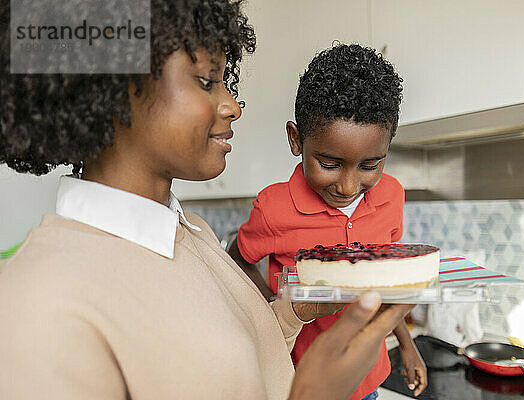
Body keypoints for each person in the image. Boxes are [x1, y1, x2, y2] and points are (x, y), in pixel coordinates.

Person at [0, 1, 412, 399]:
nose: (232, 106)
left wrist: (298, 309)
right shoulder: (35, 303)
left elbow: (245, 357)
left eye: (224, 80)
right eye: (205, 81)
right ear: (114, 87)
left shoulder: (194, 233)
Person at [229, 44, 428, 399]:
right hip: (303, 383)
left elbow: (387, 284)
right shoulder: (274, 207)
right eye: (330, 163)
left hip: (368, 378)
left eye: (369, 165)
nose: (349, 186)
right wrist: (274, 311)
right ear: (296, 140)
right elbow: (238, 257)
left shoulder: (392, 195)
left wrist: (407, 346)